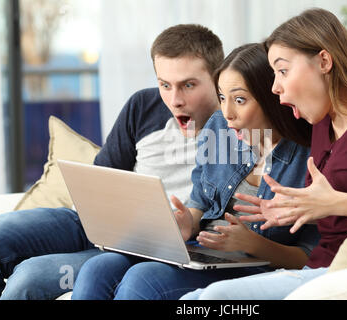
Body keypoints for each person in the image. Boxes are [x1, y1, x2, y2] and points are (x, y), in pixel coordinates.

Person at [180, 8, 347, 300]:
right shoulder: (322, 123)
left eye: (282, 71)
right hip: (320, 267)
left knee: (216, 299)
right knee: (191, 301)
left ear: (324, 61)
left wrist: (336, 202)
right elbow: (335, 212)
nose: (275, 86)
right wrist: (298, 208)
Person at [71, 43, 320, 300]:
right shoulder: (219, 129)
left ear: (272, 98)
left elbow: (310, 255)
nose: (227, 113)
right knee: (97, 268)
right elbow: (200, 204)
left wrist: (252, 244)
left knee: (144, 280)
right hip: (204, 250)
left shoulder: (310, 155)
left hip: (255, 265)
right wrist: (185, 223)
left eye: (240, 100)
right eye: (222, 98)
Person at [0, 24, 223, 300]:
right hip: (93, 222)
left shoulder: (238, 129)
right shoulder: (143, 106)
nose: (174, 100)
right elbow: (102, 176)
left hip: (152, 248)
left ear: (217, 78)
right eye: (164, 84)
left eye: (188, 85)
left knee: (29, 278)